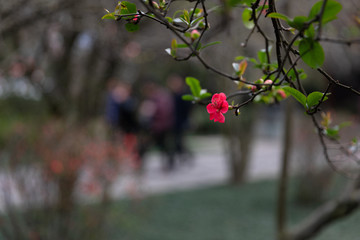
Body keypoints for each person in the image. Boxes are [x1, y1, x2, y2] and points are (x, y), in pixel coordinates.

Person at [138, 80, 175, 171]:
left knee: (161, 146)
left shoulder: (158, 98)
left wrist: (151, 112)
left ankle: (169, 164)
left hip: (159, 127)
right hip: (157, 127)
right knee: (159, 146)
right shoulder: (154, 98)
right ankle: (140, 164)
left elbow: (163, 112)